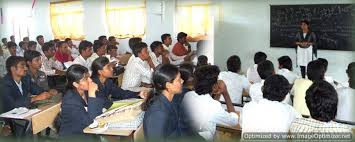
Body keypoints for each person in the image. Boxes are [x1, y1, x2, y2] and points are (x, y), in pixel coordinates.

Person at [183, 65, 239, 141]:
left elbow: (209, 106)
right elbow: (234, 121)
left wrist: (218, 93)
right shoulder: (214, 107)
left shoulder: (188, 96)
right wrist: (225, 93)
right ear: (214, 86)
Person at [59, 64, 104, 137]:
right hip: (74, 136)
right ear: (76, 84)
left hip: (88, 131)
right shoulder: (70, 101)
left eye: (89, 76)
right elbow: (91, 122)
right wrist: (92, 94)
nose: (90, 80)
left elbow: (102, 105)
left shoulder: (85, 91)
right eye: (85, 79)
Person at [142, 64, 184, 141]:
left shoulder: (172, 99)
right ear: (168, 85)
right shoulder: (158, 113)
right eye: (179, 80)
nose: (182, 81)